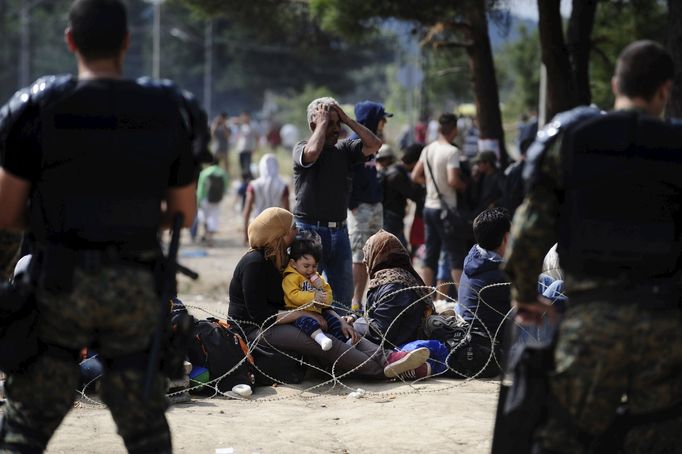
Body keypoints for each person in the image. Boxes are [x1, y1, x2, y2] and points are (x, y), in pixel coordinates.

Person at [0, 0, 201, 452]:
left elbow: (6, 213)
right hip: (133, 288)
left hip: (56, 288)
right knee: (146, 432)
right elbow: (183, 212)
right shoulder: (164, 112)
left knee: (24, 431)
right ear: (127, 43)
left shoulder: (36, 109)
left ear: (70, 41)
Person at [503, 40, 682, 452]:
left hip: (591, 323)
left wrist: (525, 295)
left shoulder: (572, 142)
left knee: (566, 435)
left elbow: (529, 231)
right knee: (658, 435)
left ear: (616, 83)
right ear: (664, 91)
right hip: (665, 327)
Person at [228, 208, 431, 381]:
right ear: (279, 234)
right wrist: (303, 315)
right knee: (323, 342)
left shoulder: (285, 260)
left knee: (347, 331)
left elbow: (314, 293)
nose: (297, 230)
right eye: (292, 228)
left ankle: (392, 358)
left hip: (286, 317)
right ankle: (386, 371)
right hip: (255, 329)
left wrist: (336, 318)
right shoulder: (254, 264)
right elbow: (260, 316)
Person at [292, 97, 382, 311]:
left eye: (336, 124)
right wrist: (322, 123)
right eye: (328, 124)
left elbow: (374, 144)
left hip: (339, 232)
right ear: (313, 125)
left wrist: (348, 119)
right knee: (305, 297)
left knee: (342, 299)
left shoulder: (345, 150)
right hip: (309, 231)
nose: (335, 129)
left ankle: (340, 337)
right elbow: (312, 153)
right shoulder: (301, 148)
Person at [411, 113, 467, 291]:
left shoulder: (428, 149)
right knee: (455, 254)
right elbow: (452, 180)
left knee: (430, 254)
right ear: (455, 129)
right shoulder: (452, 151)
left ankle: (427, 296)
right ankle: (463, 298)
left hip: (429, 207)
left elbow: (415, 175)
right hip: (446, 209)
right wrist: (463, 186)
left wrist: (431, 185)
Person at [352, 230, 434, 351]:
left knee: (345, 341)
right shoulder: (397, 278)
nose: (364, 260)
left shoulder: (394, 287)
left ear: (379, 254)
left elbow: (380, 332)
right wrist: (354, 317)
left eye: (368, 252)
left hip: (396, 351)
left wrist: (355, 324)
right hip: (392, 345)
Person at [454, 207, 511, 377]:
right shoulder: (498, 276)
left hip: (476, 335)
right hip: (495, 346)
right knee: (555, 288)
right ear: (506, 238)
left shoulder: (475, 258)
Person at [347, 100, 392, 311]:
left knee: (377, 254)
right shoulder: (355, 143)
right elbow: (344, 177)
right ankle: (356, 302)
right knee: (358, 255)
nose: (384, 123)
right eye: (382, 119)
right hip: (360, 209)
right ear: (373, 119)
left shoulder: (373, 144)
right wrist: (352, 204)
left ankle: (372, 299)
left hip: (374, 206)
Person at [282, 231, 345, 351]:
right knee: (307, 323)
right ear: (293, 263)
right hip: (298, 313)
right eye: (306, 266)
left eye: (314, 266)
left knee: (334, 322)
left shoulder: (316, 277)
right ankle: (321, 338)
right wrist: (313, 297)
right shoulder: (291, 277)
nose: (311, 270)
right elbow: (292, 295)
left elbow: (328, 294)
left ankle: (345, 342)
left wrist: (322, 293)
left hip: (317, 311)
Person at [378, 143, 425, 248]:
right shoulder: (397, 175)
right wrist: (419, 179)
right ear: (416, 162)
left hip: (392, 217)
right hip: (391, 218)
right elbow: (414, 195)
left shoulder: (397, 171)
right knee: (397, 252)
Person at [243, 153, 289, 244]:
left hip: (257, 226)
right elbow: (287, 211)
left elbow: (247, 211)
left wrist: (245, 233)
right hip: (276, 229)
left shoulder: (253, 185)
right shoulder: (283, 186)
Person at [196, 156, 229, 245]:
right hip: (216, 198)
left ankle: (205, 234)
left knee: (205, 217)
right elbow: (226, 187)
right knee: (214, 216)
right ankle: (210, 236)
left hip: (205, 198)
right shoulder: (223, 173)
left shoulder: (205, 173)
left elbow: (200, 188)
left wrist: (199, 199)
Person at [469, 150, 504, 217]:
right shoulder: (481, 176)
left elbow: (506, 195)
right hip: (481, 212)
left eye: (479, 163)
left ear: (487, 163)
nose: (477, 165)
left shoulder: (499, 177)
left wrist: (495, 204)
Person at [236, 111, 258, 177]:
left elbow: (257, 137)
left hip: (248, 149)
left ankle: (249, 179)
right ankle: (244, 179)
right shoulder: (241, 126)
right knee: (242, 165)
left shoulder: (252, 126)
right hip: (241, 149)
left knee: (247, 166)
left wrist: (256, 147)